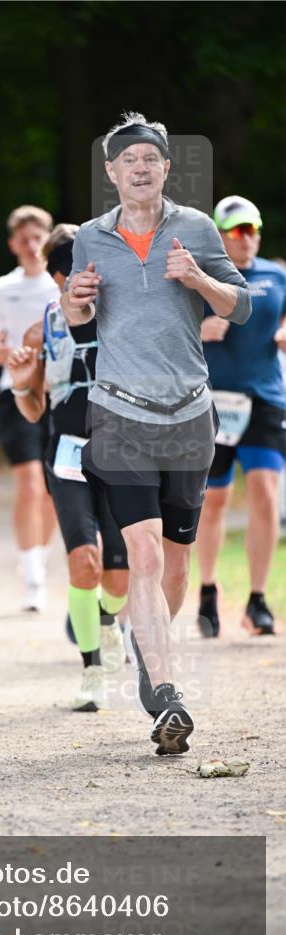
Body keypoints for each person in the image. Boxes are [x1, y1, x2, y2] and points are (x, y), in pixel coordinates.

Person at [62, 112, 251, 755]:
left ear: (167, 168)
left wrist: (197, 279)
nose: (140, 167)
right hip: (118, 413)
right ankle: (165, 692)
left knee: (174, 559)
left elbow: (239, 303)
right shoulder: (90, 236)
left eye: (151, 158)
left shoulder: (195, 227)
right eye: (128, 160)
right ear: (111, 172)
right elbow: (78, 312)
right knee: (140, 554)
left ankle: (149, 651)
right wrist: (74, 299)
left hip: (189, 416)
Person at [7, 225, 129, 711]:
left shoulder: (122, 317)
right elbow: (35, 409)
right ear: (61, 276)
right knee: (85, 562)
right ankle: (92, 669)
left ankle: (106, 618)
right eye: (76, 269)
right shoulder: (44, 328)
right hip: (67, 453)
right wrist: (20, 383)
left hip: (123, 454)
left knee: (119, 578)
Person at [196, 197, 286, 637]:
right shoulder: (201, 276)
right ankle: (208, 591)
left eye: (251, 229)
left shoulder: (277, 275)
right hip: (214, 402)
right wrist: (199, 330)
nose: (245, 238)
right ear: (220, 236)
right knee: (213, 501)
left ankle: (257, 599)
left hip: (266, 399)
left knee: (266, 495)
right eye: (236, 231)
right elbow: (164, 331)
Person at [0, 206, 59, 611]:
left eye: (38, 237)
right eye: (24, 239)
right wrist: (15, 353)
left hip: (60, 395)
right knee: (29, 482)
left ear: (48, 238)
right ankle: (32, 579)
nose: (32, 246)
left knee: (54, 489)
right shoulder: (1, 289)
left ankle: (36, 556)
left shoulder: (63, 284)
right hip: (16, 393)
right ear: (13, 244)